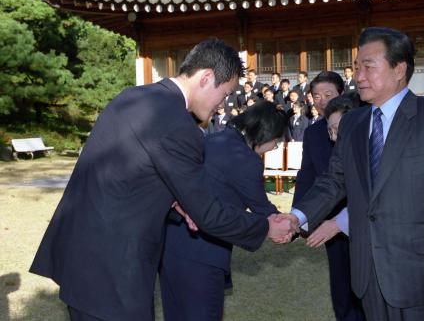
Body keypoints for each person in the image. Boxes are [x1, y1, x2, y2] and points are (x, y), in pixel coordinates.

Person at [30, 38, 294, 321]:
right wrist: (265, 227)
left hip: (80, 256)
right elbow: (208, 214)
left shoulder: (131, 96)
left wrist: (174, 201)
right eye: (225, 93)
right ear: (206, 78)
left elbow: (130, 172)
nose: (222, 104)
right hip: (115, 270)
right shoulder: (178, 125)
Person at [283, 27, 424, 321]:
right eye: (357, 67)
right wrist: (296, 216)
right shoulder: (353, 124)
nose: (359, 75)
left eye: (368, 67)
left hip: (422, 275)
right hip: (368, 274)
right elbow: (334, 181)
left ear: (399, 69)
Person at [160, 101, 289, 321]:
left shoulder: (213, 139)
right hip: (204, 251)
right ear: (266, 135)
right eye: (275, 143)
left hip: (171, 247)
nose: (273, 148)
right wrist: (292, 224)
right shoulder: (246, 159)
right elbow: (262, 208)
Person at [293, 72, 365, 321]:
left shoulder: (363, 126)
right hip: (329, 217)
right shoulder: (314, 133)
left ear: (342, 94)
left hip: (364, 219)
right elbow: (309, 176)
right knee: (341, 284)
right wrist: (298, 220)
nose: (322, 101)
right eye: (316, 96)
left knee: (366, 284)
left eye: (328, 95)